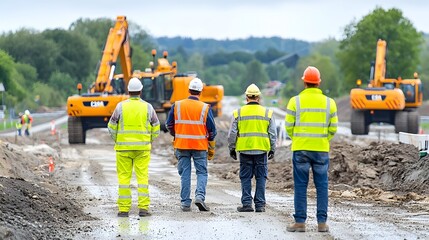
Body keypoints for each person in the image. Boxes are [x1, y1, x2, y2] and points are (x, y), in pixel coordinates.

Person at [285, 66, 338, 232]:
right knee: (322, 186)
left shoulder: (295, 101)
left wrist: (298, 139)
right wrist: (323, 139)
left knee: (301, 185)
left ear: (304, 82)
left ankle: (300, 222)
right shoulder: (330, 103)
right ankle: (322, 223)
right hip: (321, 149)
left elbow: (288, 126)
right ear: (319, 83)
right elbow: (333, 128)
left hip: (301, 149)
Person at [107, 77, 160, 218]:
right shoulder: (148, 107)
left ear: (128, 91)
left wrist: (118, 139)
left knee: (124, 179)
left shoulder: (120, 107)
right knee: (142, 178)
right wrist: (149, 140)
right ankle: (143, 209)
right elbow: (156, 127)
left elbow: (111, 127)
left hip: (123, 149)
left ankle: (123, 210)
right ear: (141, 91)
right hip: (142, 149)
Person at [165, 77, 217, 212]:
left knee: (185, 174)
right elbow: (212, 130)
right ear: (200, 92)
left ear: (188, 90)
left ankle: (185, 203)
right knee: (202, 173)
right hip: (200, 145)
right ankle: (199, 197)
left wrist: (176, 134)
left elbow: (169, 124)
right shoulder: (205, 108)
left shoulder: (177, 105)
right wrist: (210, 143)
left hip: (182, 144)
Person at [228, 83, 277, 213]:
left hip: (244, 151)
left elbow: (232, 134)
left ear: (246, 97)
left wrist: (232, 148)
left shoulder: (238, 113)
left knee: (245, 177)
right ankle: (260, 205)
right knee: (261, 177)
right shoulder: (268, 113)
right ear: (259, 98)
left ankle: (247, 204)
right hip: (261, 150)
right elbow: (273, 133)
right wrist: (272, 149)